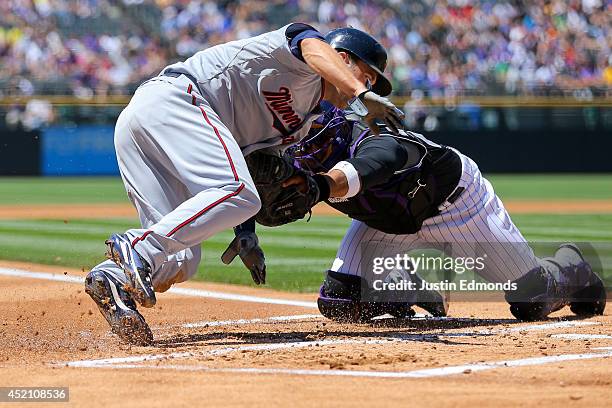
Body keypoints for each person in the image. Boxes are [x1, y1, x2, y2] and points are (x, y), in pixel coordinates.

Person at [84, 24, 404, 345]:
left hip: (155, 120)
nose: (371, 84)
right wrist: (359, 92)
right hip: (177, 100)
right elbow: (311, 47)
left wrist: (245, 231)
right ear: (343, 59)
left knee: (181, 260)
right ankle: (137, 248)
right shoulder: (301, 56)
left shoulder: (302, 126)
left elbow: (253, 168)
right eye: (370, 75)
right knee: (238, 194)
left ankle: (110, 280)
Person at [282, 102, 606, 322]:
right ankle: (405, 285)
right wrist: (247, 230)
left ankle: (571, 266)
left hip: (458, 208)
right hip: (389, 225)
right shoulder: (295, 162)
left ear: (336, 127)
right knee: (340, 302)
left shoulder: (373, 137)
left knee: (531, 300)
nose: (305, 143)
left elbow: (376, 163)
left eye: (313, 133)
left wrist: (322, 186)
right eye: (299, 136)